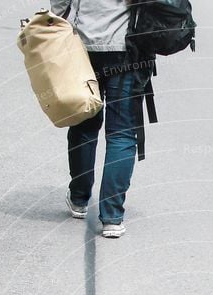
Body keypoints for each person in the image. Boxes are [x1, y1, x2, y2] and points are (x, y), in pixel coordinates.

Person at [50, 0, 137, 238]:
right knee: (122, 133)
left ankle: (79, 199)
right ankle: (112, 217)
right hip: (128, 47)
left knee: (84, 124)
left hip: (82, 47)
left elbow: (60, 3)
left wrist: (56, 21)